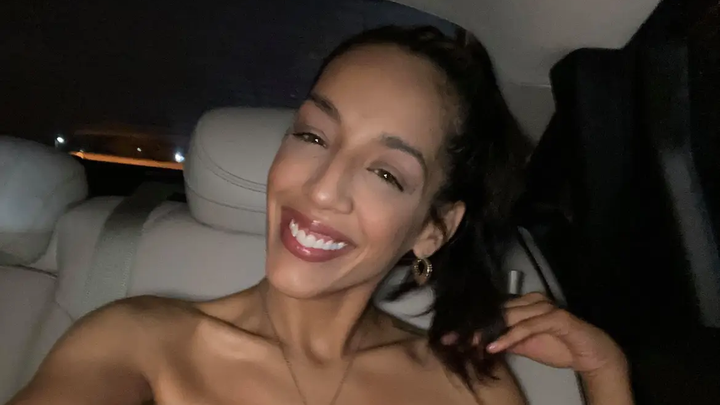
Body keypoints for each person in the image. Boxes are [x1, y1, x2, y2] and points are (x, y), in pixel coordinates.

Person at [7, 26, 633, 405]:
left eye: (386, 173)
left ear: (433, 229)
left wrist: (605, 375)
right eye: (312, 136)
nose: (324, 188)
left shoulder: (471, 386)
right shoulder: (136, 342)